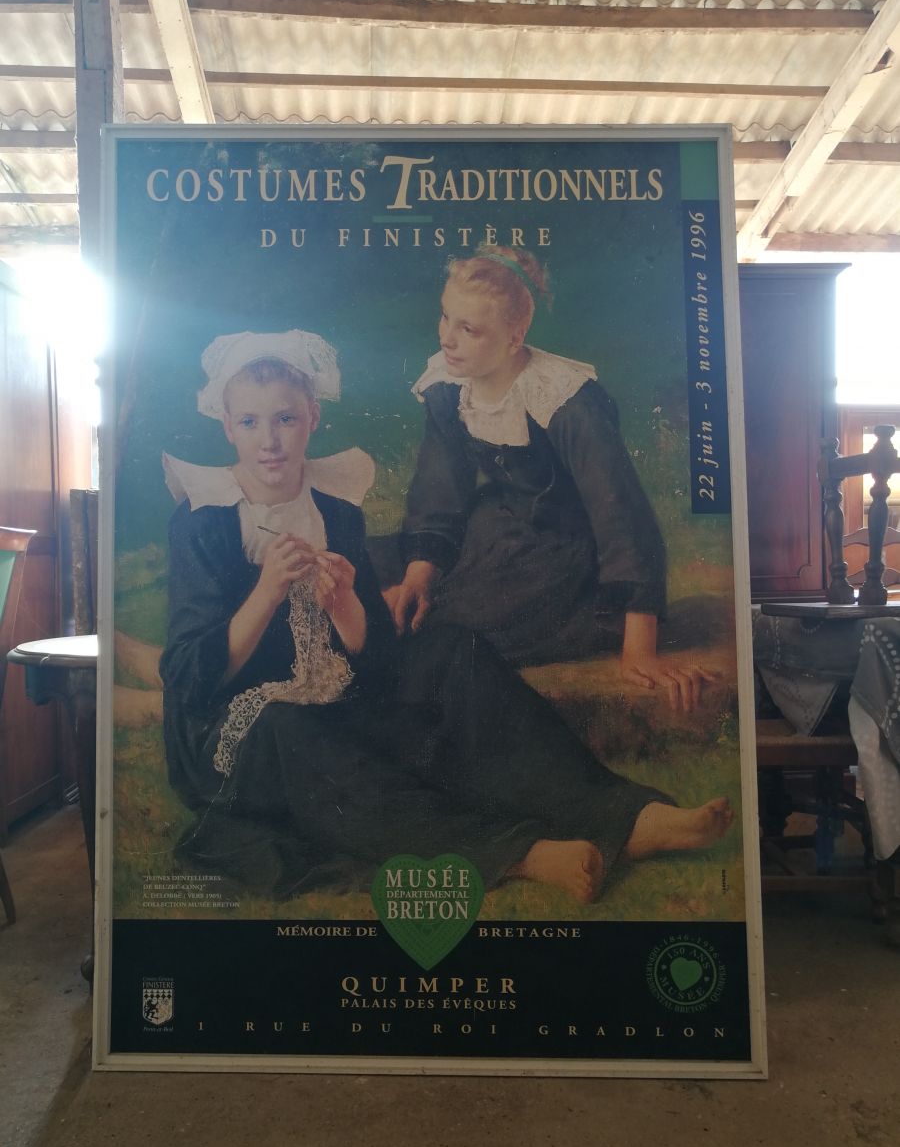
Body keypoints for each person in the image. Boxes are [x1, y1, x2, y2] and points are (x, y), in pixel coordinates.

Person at [159, 330, 733, 903]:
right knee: (291, 729)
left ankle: (626, 817)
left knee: (451, 647)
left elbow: (375, 659)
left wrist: (345, 604)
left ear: (312, 417)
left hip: (336, 699)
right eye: (250, 423)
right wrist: (266, 592)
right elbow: (189, 677)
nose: (269, 441)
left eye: (285, 419)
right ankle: (520, 854)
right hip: (246, 732)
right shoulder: (204, 520)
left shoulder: (334, 507)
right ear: (227, 426)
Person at [384, 246, 714, 711]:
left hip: (561, 555)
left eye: (468, 329)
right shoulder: (449, 385)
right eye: (445, 317)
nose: (447, 339)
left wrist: (640, 647)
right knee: (372, 568)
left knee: (449, 623)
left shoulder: (566, 400)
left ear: (514, 336)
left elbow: (622, 517)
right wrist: (421, 572)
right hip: (494, 528)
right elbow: (441, 489)